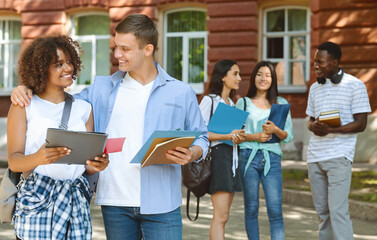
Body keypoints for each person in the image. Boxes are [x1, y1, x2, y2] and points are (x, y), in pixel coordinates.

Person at [11, 14, 209, 240]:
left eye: (125, 49)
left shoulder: (180, 92)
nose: (116, 55)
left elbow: (201, 137)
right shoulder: (101, 88)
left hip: (163, 202)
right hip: (115, 203)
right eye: (116, 47)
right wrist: (26, 87)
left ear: (147, 49)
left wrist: (193, 152)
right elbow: (56, 98)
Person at [7, 35, 109, 239]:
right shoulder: (24, 106)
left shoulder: (84, 108)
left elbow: (86, 167)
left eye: (70, 61)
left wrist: (97, 165)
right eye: (59, 64)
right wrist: (39, 157)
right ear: (41, 68)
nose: (68, 68)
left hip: (75, 205)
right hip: (37, 203)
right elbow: (14, 161)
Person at [306, 41, 371, 240]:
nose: (315, 65)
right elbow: (309, 121)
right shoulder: (314, 89)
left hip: (339, 156)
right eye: (315, 61)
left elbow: (360, 124)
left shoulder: (355, 85)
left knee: (338, 212)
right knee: (323, 214)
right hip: (314, 157)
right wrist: (314, 126)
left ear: (335, 62)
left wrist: (332, 129)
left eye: (320, 62)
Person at [235, 61, 293, 240]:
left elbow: (288, 136)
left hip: (272, 159)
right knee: (251, 209)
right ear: (254, 77)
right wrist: (255, 136)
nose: (263, 78)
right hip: (247, 158)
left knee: (275, 210)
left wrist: (275, 130)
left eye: (268, 75)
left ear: (273, 79)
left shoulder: (280, 104)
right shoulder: (243, 102)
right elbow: (235, 135)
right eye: (260, 74)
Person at [198, 59, 245, 240]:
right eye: (235, 74)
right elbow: (199, 133)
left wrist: (237, 136)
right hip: (218, 158)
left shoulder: (232, 105)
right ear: (223, 77)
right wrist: (227, 135)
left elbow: (231, 135)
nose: (239, 78)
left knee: (224, 217)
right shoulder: (210, 101)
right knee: (220, 216)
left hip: (232, 159)